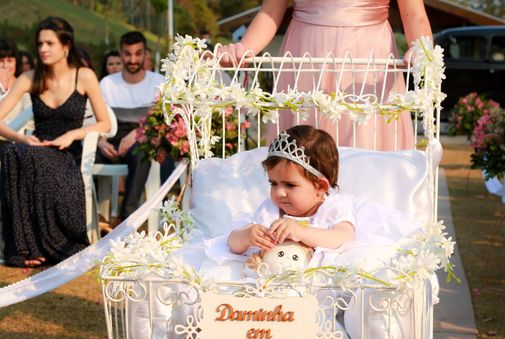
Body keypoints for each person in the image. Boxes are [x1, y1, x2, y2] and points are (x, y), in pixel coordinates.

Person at [217, 0, 432, 150]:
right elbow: (270, 11)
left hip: (368, 55)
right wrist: (244, 48)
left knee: (366, 141)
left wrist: (422, 47)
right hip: (306, 53)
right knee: (303, 144)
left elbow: (414, 14)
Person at [0, 17, 111, 267]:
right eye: (40, 44)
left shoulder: (84, 76)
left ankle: (49, 246)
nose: (42, 49)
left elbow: (104, 123)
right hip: (35, 149)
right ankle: (24, 249)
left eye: (50, 43)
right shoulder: (30, 77)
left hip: (67, 156)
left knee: (23, 156)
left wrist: (73, 134)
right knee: (12, 152)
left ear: (66, 45)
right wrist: (21, 138)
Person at [228, 125, 355, 254]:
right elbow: (231, 244)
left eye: (290, 185)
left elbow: (345, 237)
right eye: (273, 183)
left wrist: (303, 232)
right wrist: (245, 237)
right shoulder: (271, 211)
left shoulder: (331, 208)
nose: (279, 193)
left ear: (320, 186)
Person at [97, 31, 165, 223]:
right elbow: (97, 121)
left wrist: (138, 132)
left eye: (138, 53)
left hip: (142, 138)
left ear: (145, 54)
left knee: (142, 153)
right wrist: (101, 142)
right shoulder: (107, 83)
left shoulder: (158, 82)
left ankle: (126, 217)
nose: (133, 59)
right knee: (83, 153)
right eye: (128, 54)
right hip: (110, 138)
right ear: (121, 54)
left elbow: (162, 121)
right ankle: (94, 216)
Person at [0, 38, 31, 130]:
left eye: (10, 61)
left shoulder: (24, 87)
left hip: (17, 141)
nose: (5, 66)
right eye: (1, 61)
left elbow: (29, 121)